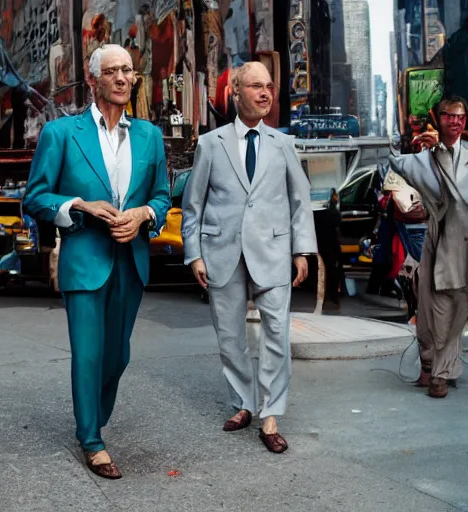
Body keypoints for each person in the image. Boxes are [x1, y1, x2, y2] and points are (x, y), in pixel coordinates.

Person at [23, 44, 170, 478]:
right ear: (94, 80)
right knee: (88, 354)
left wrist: (144, 215)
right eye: (114, 71)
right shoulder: (61, 133)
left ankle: (92, 416)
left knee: (118, 355)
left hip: (131, 259)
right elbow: (35, 197)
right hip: (85, 258)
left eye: (129, 70)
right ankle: (91, 438)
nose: (124, 78)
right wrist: (79, 206)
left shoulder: (150, 136)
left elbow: (162, 195)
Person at [181, 62, 317, 454]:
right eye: (256, 86)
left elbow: (299, 201)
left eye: (269, 87)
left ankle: (270, 413)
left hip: (274, 251)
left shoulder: (283, 144)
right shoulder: (211, 143)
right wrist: (194, 255)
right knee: (230, 335)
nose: (265, 93)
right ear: (235, 93)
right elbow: (193, 205)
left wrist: (302, 250)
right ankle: (243, 402)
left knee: (276, 332)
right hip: (221, 251)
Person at [389, 95, 468, 398]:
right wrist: (414, 146)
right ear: (438, 119)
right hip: (439, 241)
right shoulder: (425, 156)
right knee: (437, 307)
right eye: (449, 116)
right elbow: (394, 164)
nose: (455, 122)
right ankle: (438, 371)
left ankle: (436, 368)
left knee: (461, 306)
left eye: (460, 117)